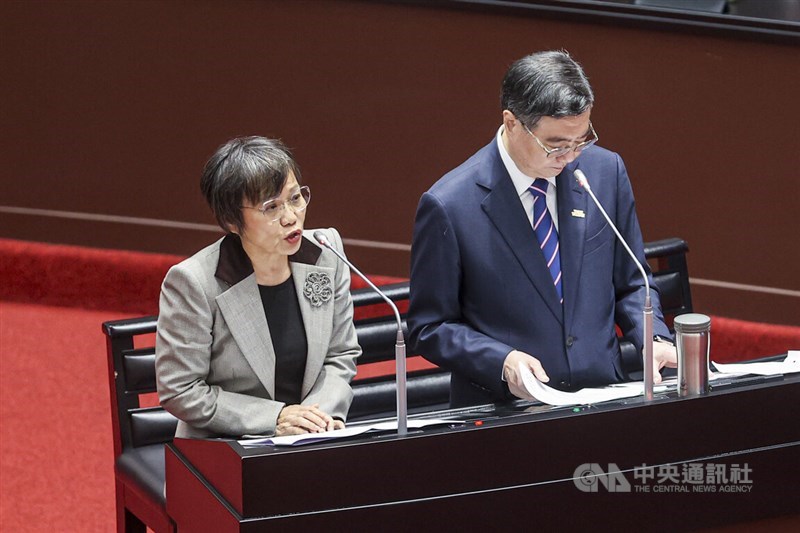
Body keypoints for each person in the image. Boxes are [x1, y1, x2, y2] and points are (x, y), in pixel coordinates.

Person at [408, 50, 677, 408]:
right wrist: (501, 361)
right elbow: (430, 327)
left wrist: (652, 337)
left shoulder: (604, 172)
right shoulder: (449, 205)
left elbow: (632, 282)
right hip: (506, 410)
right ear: (512, 122)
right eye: (555, 146)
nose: (569, 158)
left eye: (581, 140)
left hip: (603, 398)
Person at [155, 136, 360, 438]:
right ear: (231, 221)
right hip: (226, 445)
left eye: (294, 198)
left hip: (311, 439)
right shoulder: (194, 282)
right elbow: (181, 390)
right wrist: (276, 418)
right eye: (271, 207)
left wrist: (313, 421)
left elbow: (340, 355)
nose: (291, 217)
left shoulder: (325, 252)